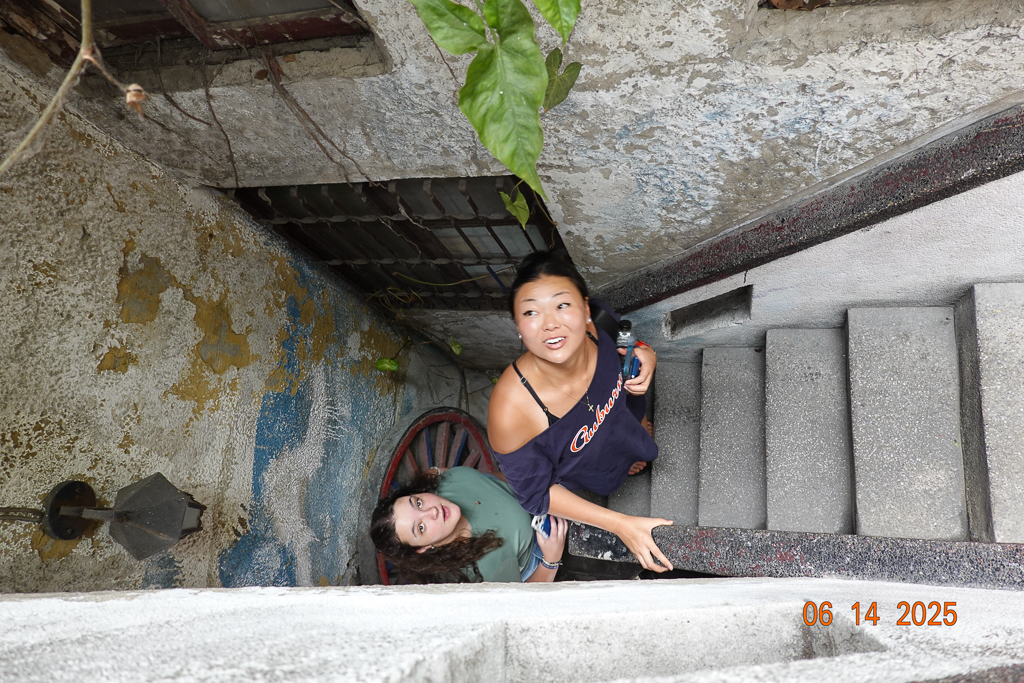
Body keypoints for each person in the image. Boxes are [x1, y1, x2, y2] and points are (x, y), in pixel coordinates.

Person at [487, 250, 674, 573]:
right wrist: (619, 523)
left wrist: (647, 353)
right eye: (531, 312)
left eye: (562, 305)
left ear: (586, 308)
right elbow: (536, 495)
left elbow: (630, 344)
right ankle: (620, 466)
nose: (550, 324)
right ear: (518, 326)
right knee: (608, 474)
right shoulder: (511, 411)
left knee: (632, 437)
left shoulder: (599, 323)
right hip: (591, 466)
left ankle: (633, 443)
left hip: (625, 420)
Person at [370, 465, 567, 584]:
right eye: (421, 527)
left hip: (533, 488)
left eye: (418, 503)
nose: (432, 511)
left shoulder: (442, 484)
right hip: (544, 543)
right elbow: (523, 601)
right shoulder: (485, 569)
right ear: (422, 548)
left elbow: (489, 481)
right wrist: (550, 560)